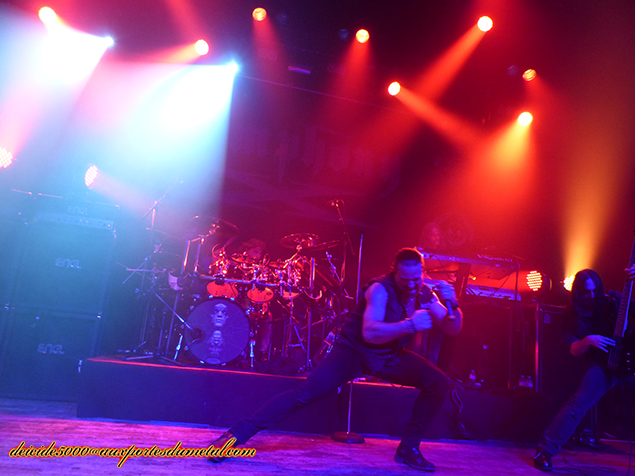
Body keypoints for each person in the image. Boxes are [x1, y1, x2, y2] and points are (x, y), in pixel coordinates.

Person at [209, 247, 463, 471]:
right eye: (405, 279)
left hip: (388, 356)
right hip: (353, 353)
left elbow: (452, 328)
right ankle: (233, 437)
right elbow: (370, 332)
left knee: (438, 382)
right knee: (304, 394)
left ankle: (409, 448)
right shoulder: (380, 289)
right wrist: (409, 325)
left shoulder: (424, 292)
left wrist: (452, 304)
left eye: (417, 278)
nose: (412, 285)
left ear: (423, 273)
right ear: (394, 272)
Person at [534, 265, 635, 471]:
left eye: (595, 290)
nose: (592, 295)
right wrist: (588, 340)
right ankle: (545, 451)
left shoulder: (614, 299)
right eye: (586, 292)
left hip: (629, 360)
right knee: (578, 404)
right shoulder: (572, 314)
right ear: (578, 292)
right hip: (602, 365)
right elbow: (573, 349)